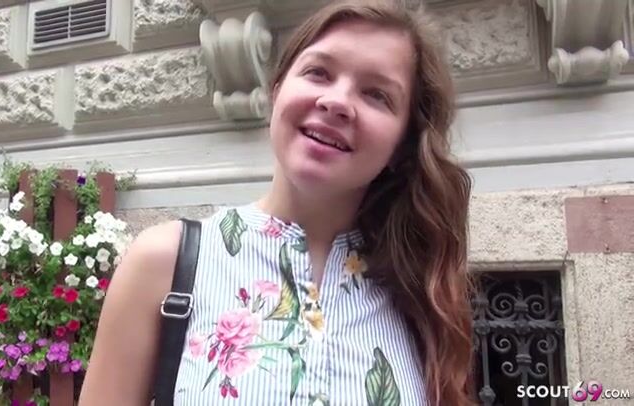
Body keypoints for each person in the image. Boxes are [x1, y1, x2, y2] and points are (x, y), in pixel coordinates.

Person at [79, 0, 474, 404]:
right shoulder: (164, 263)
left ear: (403, 143)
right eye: (318, 72)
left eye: (377, 94)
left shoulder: (422, 293)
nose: (337, 101)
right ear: (277, 89)